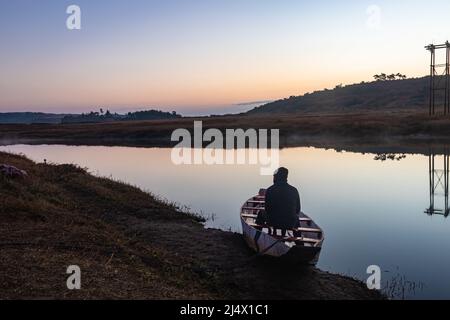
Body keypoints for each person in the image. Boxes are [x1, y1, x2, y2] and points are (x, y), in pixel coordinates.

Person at [264, 167, 301, 233]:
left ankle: (256, 236)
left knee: (260, 214)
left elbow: (267, 209)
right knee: (296, 218)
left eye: (274, 176)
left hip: (273, 222)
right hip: (290, 224)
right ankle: (298, 240)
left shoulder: (270, 190)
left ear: (276, 177)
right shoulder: (294, 190)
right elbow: (298, 210)